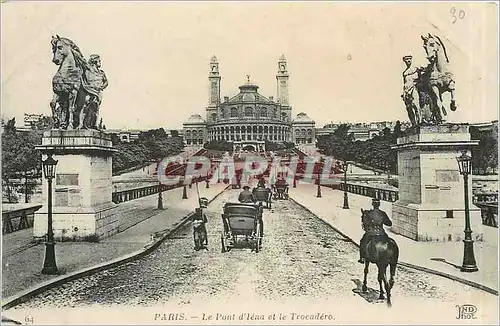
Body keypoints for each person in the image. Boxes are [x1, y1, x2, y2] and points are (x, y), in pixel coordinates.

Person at [358, 198, 392, 263]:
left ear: (372, 204)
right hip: (381, 234)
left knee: (362, 241)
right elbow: (389, 224)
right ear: (379, 205)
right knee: (388, 241)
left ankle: (362, 258)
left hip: (371, 234)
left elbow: (366, 224)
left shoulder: (369, 213)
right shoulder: (383, 213)